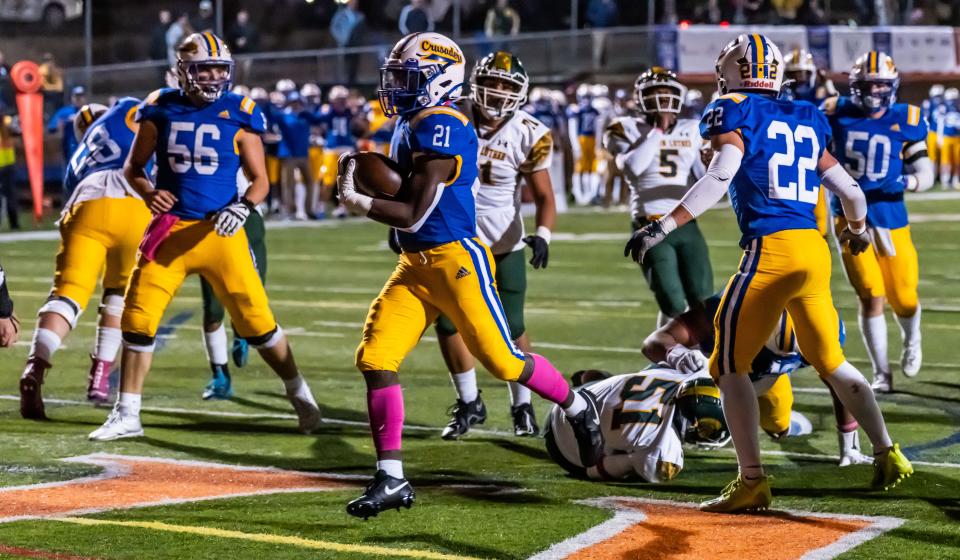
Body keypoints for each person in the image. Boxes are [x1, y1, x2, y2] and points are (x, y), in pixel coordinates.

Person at [626, 33, 912, 512]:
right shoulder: (805, 114)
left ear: (733, 73)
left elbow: (719, 177)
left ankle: (752, 480)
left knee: (726, 365)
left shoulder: (733, 109)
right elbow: (853, 193)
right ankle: (887, 452)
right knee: (833, 362)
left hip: (771, 250)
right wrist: (858, 231)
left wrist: (661, 226)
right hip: (814, 250)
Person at [337, 32, 603, 519]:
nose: (396, 85)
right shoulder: (413, 120)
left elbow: (415, 211)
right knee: (375, 357)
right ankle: (391, 477)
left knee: (503, 362)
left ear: (440, 80)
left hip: (455, 260)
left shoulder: (443, 123)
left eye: (408, 76)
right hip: (414, 266)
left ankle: (577, 405)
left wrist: (360, 199)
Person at [88, 32, 321, 441]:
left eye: (220, 69)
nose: (214, 77)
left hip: (220, 231)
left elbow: (261, 180)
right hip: (171, 231)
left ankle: (299, 391)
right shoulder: (159, 107)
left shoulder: (240, 111)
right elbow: (134, 168)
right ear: (183, 71)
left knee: (258, 323)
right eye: (204, 69)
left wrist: (242, 206)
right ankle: (127, 414)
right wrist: (148, 191)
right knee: (138, 319)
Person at [433, 51, 557, 440]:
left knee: (513, 324)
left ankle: (522, 404)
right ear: (475, 83)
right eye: (493, 83)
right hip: (457, 236)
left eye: (507, 86)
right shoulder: (451, 118)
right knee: (448, 321)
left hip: (504, 238)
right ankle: (470, 401)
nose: (498, 92)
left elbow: (544, 196)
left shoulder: (530, 131)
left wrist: (544, 234)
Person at [20, 100, 153, 419]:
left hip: (85, 203)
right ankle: (100, 377)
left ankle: (35, 367)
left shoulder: (77, 161)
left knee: (68, 294)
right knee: (118, 294)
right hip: (133, 205)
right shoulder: (126, 108)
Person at [642, 293, 872, 466]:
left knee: (779, 427)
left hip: (765, 380)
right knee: (682, 406)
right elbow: (655, 341)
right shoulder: (726, 310)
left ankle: (789, 422)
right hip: (709, 374)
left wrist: (849, 444)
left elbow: (839, 384)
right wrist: (676, 354)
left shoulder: (822, 333)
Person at [822, 52, 934, 393]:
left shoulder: (907, 118)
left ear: (892, 87)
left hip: (891, 218)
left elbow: (925, 172)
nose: (873, 90)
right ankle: (882, 373)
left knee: (904, 297)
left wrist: (907, 182)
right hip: (848, 220)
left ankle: (911, 338)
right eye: (867, 84)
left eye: (880, 84)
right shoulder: (833, 112)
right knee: (871, 294)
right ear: (855, 86)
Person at [603, 67, 712, 328]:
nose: (663, 99)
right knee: (673, 303)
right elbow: (632, 167)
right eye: (656, 93)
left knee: (703, 300)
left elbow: (702, 177)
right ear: (641, 98)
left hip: (684, 221)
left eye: (668, 93)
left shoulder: (691, 129)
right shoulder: (625, 128)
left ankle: (685, 355)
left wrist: (709, 162)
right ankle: (666, 353)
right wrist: (658, 132)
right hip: (649, 222)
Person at [545, 370, 727, 482]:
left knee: (640, 378)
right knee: (627, 464)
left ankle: (597, 379)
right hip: (564, 447)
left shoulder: (698, 374)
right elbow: (598, 469)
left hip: (575, 398)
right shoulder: (665, 453)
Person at [199, 166, 268, 400]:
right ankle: (220, 375)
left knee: (253, 296)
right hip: (208, 220)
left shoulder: (238, 132)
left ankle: (240, 331)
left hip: (246, 216)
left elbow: (260, 177)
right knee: (212, 308)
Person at [782, 47, 838, 236]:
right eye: (794, 74)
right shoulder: (783, 97)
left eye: (803, 74)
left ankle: (820, 241)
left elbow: (834, 106)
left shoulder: (819, 95)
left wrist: (827, 86)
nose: (798, 79)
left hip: (815, 156)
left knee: (820, 208)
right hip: (789, 158)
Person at [315, 85, 365, 217]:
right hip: (331, 148)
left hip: (347, 147)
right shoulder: (328, 111)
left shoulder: (349, 111)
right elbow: (317, 120)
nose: (342, 102)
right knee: (328, 181)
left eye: (343, 99)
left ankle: (343, 208)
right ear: (332, 100)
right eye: (339, 99)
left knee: (346, 181)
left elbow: (360, 123)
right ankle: (321, 207)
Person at [46, 86, 86, 187]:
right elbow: (52, 127)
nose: (78, 99)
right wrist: (66, 122)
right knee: (71, 180)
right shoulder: (64, 112)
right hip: (69, 152)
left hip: (86, 152)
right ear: (72, 98)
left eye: (81, 96)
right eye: (76, 96)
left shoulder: (89, 111)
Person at [329, 0, 366, 86]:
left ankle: (352, 84)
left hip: (356, 46)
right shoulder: (340, 15)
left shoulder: (361, 16)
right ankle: (342, 84)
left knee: (353, 67)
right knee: (343, 67)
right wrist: (341, 38)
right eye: (353, 2)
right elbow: (334, 28)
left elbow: (363, 31)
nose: (354, 4)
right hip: (343, 46)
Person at [0, 113, 19, 230]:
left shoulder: (7, 124)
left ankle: (13, 224)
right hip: (8, 166)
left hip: (6, 166)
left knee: (9, 195)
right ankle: (14, 224)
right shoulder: (7, 123)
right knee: (10, 195)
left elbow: (17, 131)